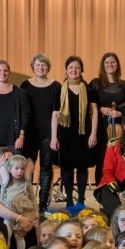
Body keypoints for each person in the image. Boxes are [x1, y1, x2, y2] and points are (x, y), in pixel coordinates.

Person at [19, 53, 62, 214]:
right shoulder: (25, 85)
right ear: (33, 67)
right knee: (27, 167)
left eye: (44, 65)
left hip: (48, 132)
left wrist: (54, 136)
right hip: (29, 132)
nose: (41, 68)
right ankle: (27, 201)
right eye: (38, 65)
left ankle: (43, 203)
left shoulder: (56, 86)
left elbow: (56, 113)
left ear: (48, 67)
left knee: (46, 167)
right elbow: (22, 110)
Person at [52, 56, 94, 208]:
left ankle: (81, 200)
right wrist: (54, 137)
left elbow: (94, 112)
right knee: (67, 167)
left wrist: (93, 134)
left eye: (77, 67)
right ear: (66, 70)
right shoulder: (59, 89)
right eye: (71, 67)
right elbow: (55, 114)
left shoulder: (88, 89)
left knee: (82, 167)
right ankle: (69, 200)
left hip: (83, 133)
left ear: (81, 70)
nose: (74, 70)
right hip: (65, 133)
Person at [89, 51, 125, 153]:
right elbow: (88, 103)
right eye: (107, 62)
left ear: (117, 65)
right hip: (99, 126)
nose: (110, 64)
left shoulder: (124, 84)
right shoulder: (95, 83)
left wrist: (119, 112)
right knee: (101, 155)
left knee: (119, 153)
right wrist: (101, 109)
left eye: (113, 62)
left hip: (119, 126)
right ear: (103, 65)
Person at [0, 59, 29, 158]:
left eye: (5, 71)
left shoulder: (20, 93)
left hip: (15, 140)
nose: (2, 73)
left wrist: (21, 136)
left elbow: (25, 117)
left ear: (9, 72)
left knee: (16, 167)